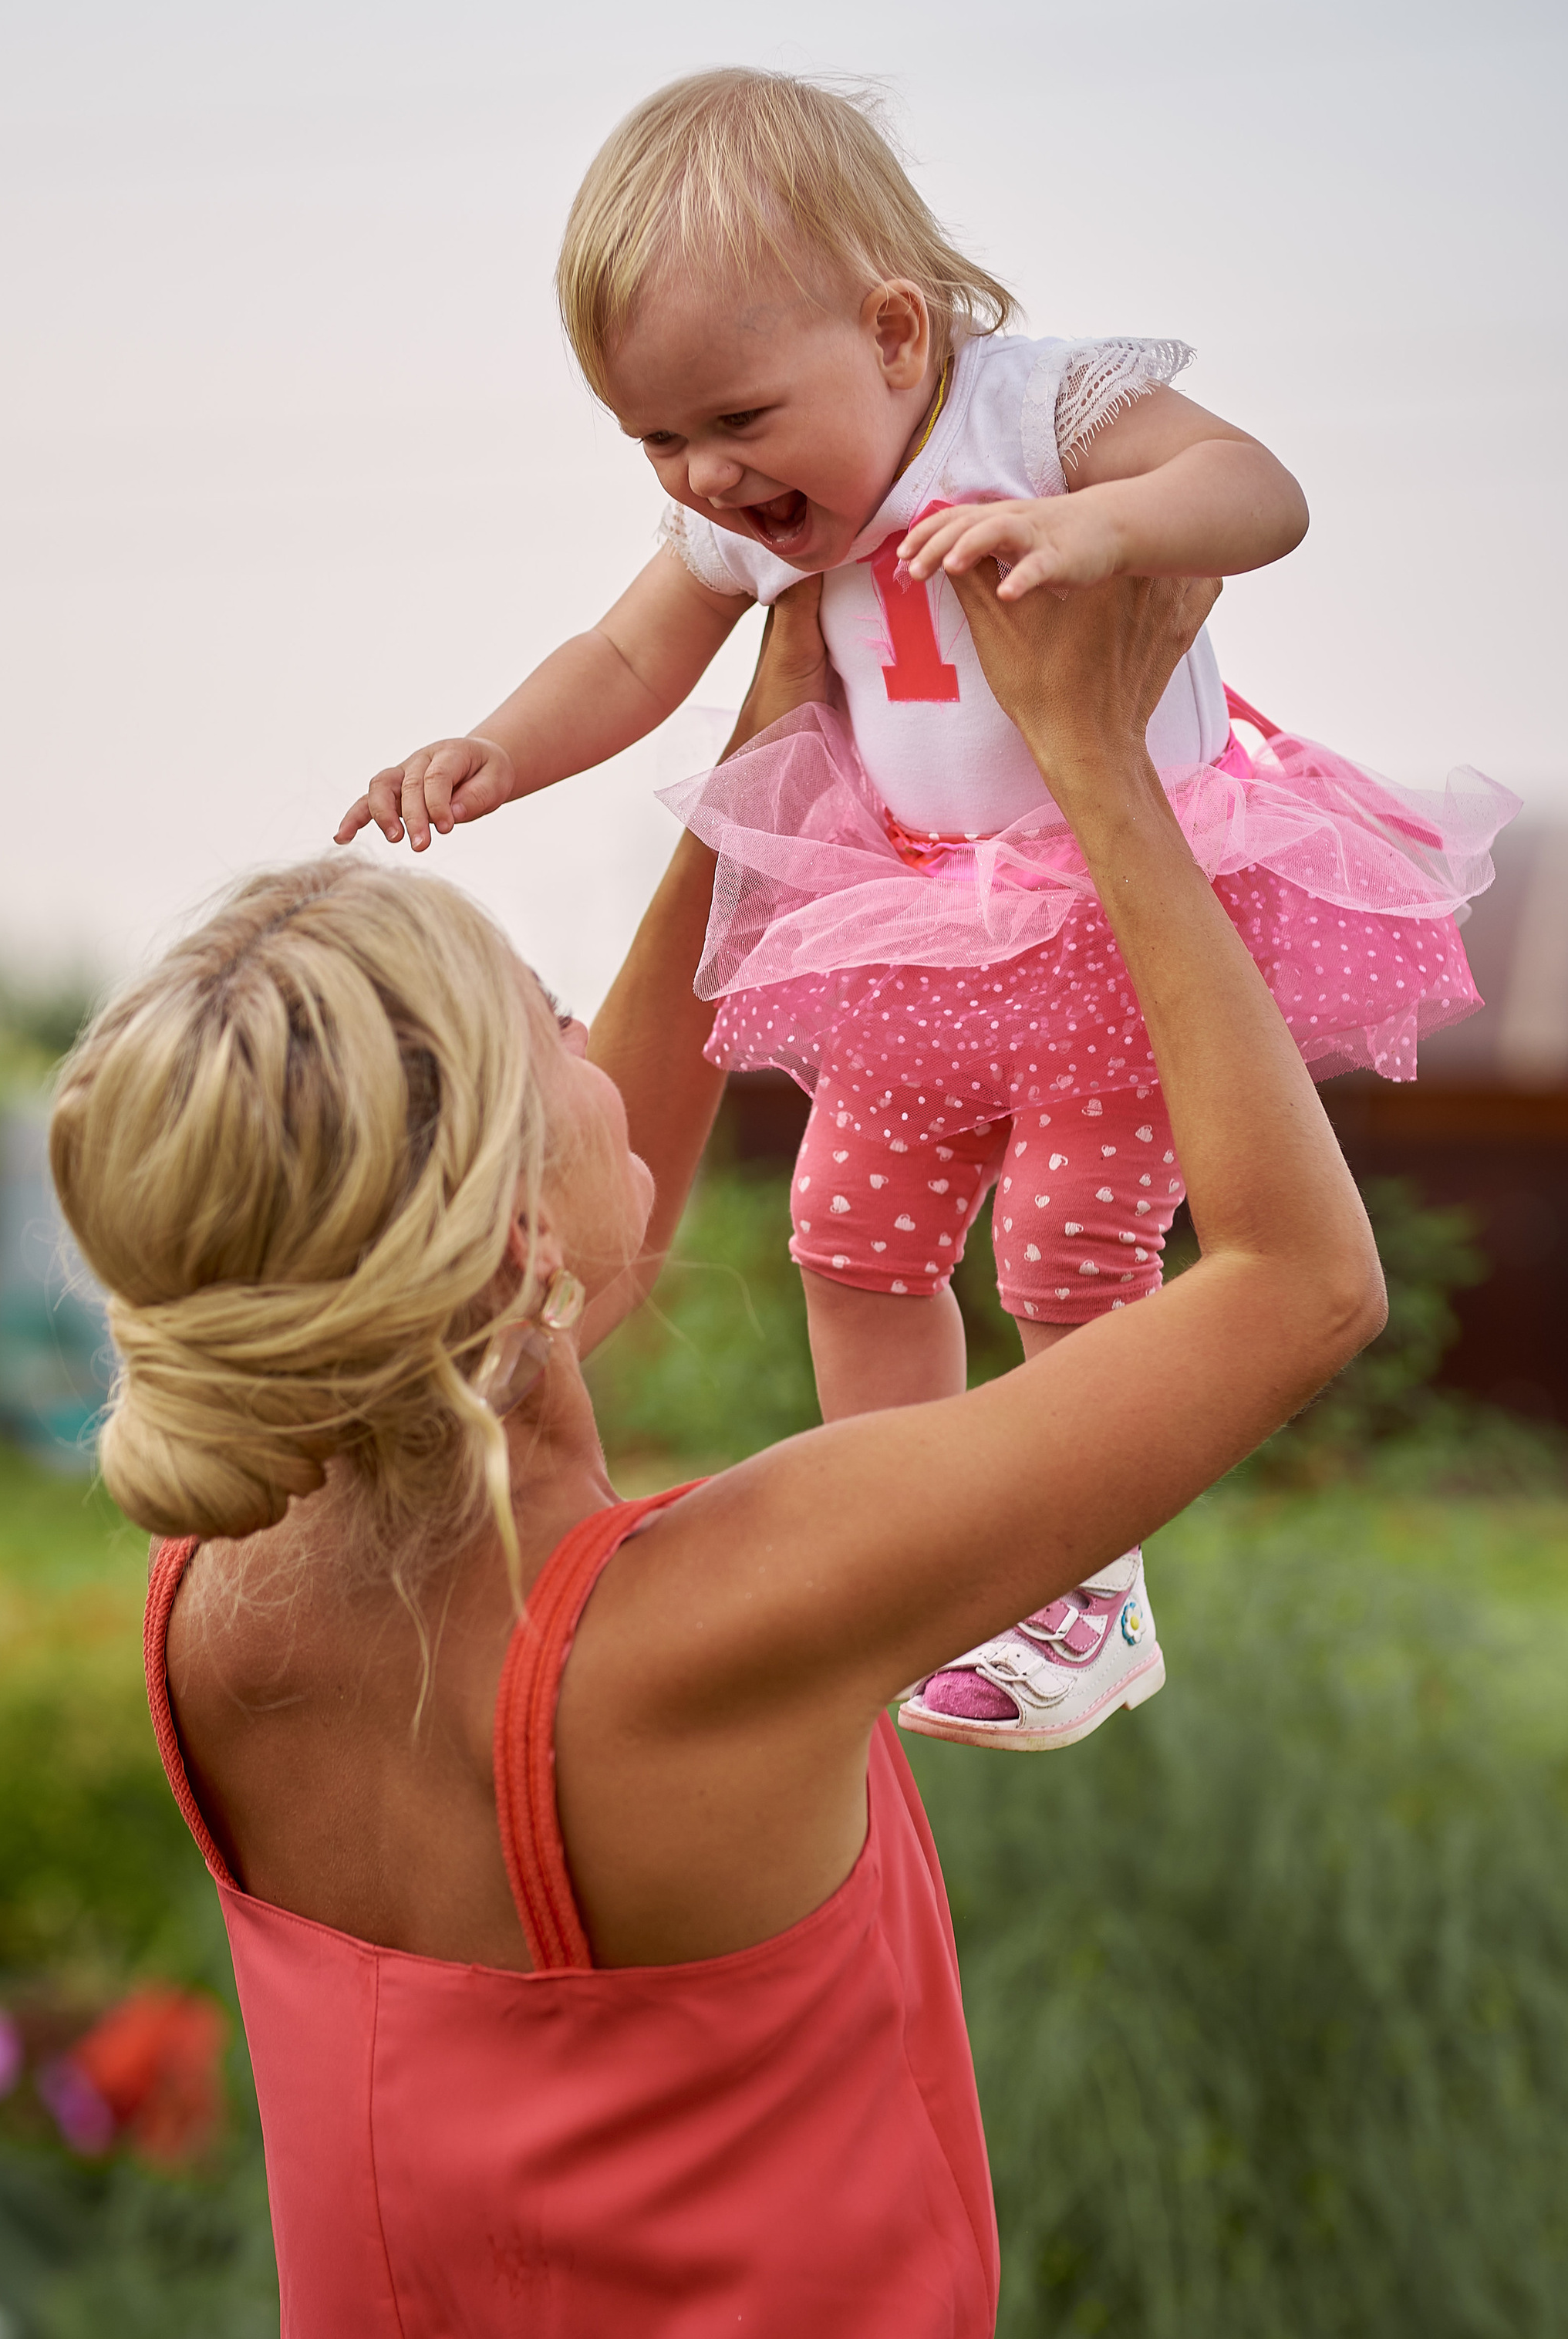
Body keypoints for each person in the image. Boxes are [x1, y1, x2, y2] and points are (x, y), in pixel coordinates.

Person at [51, 564, 1385, 2339]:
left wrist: (766, 749)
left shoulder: (220, 1595)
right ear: (511, 1245)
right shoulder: (713, 1622)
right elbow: (1297, 1285)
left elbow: (578, 1250)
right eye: (553, 1029)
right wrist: (1104, 766)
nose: (604, 1046)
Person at [334, 67, 1513, 1749]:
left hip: (1116, 916)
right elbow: (625, 653)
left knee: (1068, 1239)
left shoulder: (1034, 413)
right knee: (849, 1228)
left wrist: (1098, 525)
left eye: (736, 420)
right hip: (912, 921)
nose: (704, 475)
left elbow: (1259, 490)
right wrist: (493, 752)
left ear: (893, 333)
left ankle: (1084, 1588)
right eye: (657, 440)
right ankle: (907, 1547)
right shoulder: (760, 516)